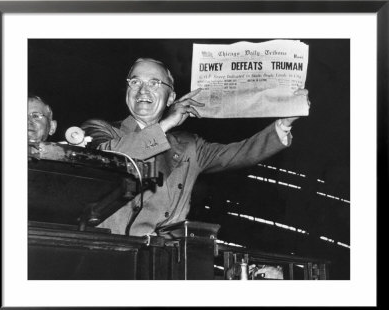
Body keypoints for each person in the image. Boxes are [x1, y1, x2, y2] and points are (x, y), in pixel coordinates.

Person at [81, 58, 309, 237]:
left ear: (171, 97)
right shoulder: (99, 130)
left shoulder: (190, 146)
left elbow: (240, 153)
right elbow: (107, 158)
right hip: (109, 253)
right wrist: (167, 123)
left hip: (166, 258)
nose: (143, 90)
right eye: (135, 82)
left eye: (154, 83)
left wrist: (283, 123)